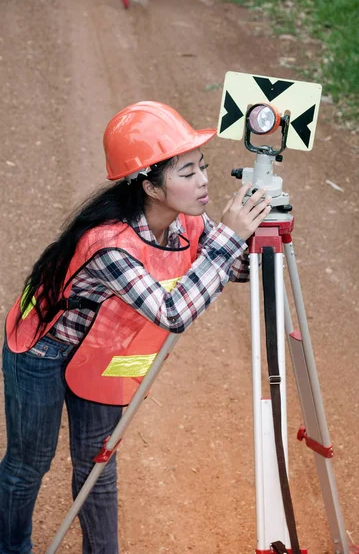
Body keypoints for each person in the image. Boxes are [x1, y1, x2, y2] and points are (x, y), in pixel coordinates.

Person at [0, 101, 272, 554]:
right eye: (186, 173)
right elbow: (174, 312)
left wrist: (261, 240)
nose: (203, 180)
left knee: (98, 469)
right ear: (150, 186)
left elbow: (230, 268)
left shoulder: (187, 220)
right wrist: (227, 239)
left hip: (102, 351)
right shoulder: (109, 243)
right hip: (44, 349)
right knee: (30, 463)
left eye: (201, 166)